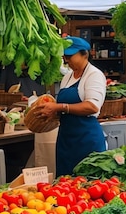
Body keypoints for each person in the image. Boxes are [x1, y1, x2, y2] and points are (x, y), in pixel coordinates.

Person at [38, 36, 106, 177]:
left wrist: (60, 107)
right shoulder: (67, 77)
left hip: (87, 140)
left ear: (85, 54)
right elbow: (63, 108)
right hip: (66, 141)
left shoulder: (94, 75)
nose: (66, 60)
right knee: (65, 184)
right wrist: (52, 112)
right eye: (65, 56)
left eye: (70, 56)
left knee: (88, 185)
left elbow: (92, 106)